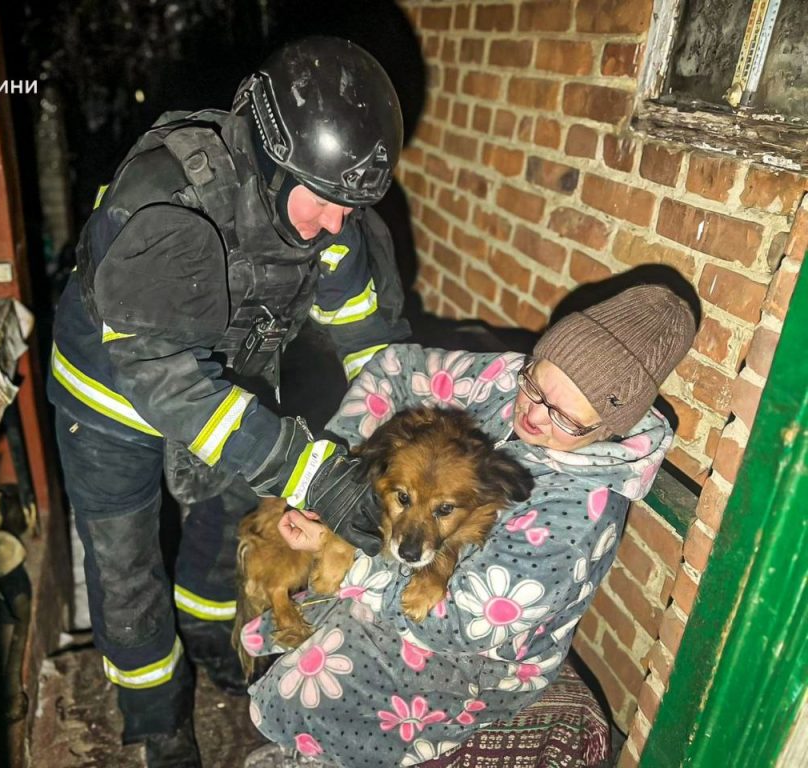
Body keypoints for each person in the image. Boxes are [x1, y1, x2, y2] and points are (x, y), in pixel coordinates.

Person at [47, 36, 411, 767]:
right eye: (325, 203)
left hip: (227, 383)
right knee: (124, 567)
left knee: (221, 525)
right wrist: (309, 471)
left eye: (350, 207)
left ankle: (207, 633)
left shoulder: (327, 205)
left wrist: (392, 435)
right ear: (272, 162)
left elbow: (368, 338)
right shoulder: (169, 200)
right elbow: (164, 378)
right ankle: (155, 718)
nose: (334, 225)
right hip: (111, 397)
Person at [241, 284, 697, 768]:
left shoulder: (581, 515)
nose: (534, 415)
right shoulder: (508, 382)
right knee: (302, 618)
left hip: (480, 659)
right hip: (414, 575)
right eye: (536, 387)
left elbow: (461, 626)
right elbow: (394, 369)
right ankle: (304, 736)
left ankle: (316, 755)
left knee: (317, 678)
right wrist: (345, 472)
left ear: (607, 427)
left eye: (565, 418)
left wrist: (355, 569)